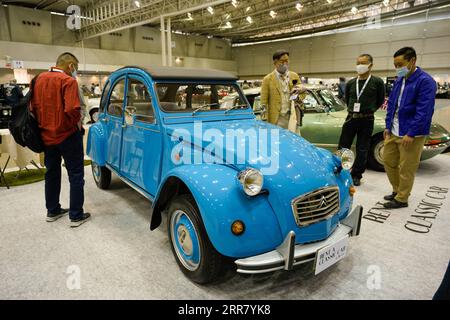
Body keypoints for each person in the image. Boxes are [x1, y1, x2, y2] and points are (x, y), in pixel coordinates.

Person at [31, 52, 91, 227]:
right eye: (76, 68)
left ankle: (52, 210)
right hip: (67, 135)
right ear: (70, 66)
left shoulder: (38, 79)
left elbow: (32, 107)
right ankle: (76, 215)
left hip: (46, 135)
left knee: (51, 172)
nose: (75, 72)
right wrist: (75, 125)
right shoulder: (68, 81)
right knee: (76, 174)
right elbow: (73, 109)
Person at [383, 47, 437, 209]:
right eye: (395, 65)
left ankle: (402, 198)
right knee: (388, 161)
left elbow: (424, 111)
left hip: (411, 133)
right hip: (393, 130)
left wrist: (412, 133)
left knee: (406, 167)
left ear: (412, 61)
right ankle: (397, 189)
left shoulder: (425, 81)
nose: (397, 68)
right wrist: (387, 126)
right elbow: (392, 104)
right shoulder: (400, 79)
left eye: (400, 64)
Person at [337, 54, 385, 186]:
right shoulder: (352, 83)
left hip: (367, 119)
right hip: (351, 118)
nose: (360, 66)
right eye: (358, 63)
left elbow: (380, 99)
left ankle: (356, 174)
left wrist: (370, 110)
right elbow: (347, 98)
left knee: (362, 148)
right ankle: (342, 169)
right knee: (344, 146)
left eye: (363, 63)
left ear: (370, 65)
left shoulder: (377, 82)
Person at [260, 49, 305, 131]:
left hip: (292, 116)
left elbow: (303, 94)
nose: (285, 63)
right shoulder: (267, 79)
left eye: (287, 60)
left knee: (293, 141)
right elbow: (263, 102)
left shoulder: (294, 76)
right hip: (276, 119)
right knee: (276, 141)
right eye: (282, 61)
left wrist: (299, 95)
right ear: (275, 63)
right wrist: (264, 120)